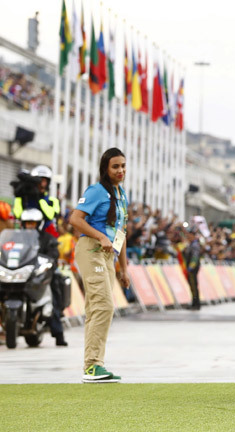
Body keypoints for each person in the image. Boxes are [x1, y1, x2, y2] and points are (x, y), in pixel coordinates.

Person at [69, 148, 130, 383]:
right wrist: (100, 236)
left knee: (97, 308)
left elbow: (121, 233)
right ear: (105, 168)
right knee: (104, 305)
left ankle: (93, 366)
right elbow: (75, 219)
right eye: (115, 166)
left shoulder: (122, 195)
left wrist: (123, 269)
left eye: (123, 166)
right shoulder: (96, 191)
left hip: (108, 256)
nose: (120, 170)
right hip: (91, 250)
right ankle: (93, 366)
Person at [20, 208, 67, 346]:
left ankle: (59, 334)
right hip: (21, 274)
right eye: (28, 223)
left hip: (39, 274)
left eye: (33, 223)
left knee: (53, 295)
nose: (30, 226)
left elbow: (53, 254)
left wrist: (49, 261)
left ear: (38, 224)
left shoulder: (47, 239)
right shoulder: (18, 238)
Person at [13, 165, 60, 238]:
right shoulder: (24, 198)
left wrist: (39, 198)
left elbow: (50, 216)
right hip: (25, 235)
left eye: (44, 181)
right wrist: (20, 196)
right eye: (39, 181)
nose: (41, 184)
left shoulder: (53, 200)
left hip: (45, 237)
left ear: (48, 183)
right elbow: (18, 214)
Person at [182, 229, 202, 310]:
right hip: (191, 268)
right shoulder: (191, 244)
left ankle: (196, 304)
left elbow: (195, 257)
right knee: (192, 286)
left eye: (189, 235)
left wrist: (191, 267)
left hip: (193, 268)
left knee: (194, 286)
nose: (188, 237)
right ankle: (194, 302)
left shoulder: (194, 245)